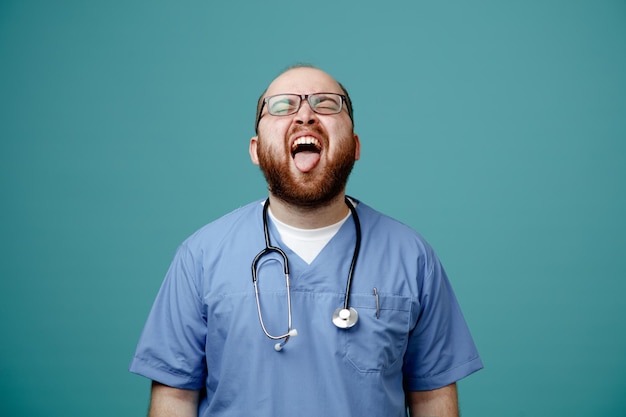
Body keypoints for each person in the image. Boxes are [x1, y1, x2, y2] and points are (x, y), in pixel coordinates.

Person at [130, 65, 483, 417]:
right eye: (282, 107)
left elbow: (432, 399)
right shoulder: (200, 257)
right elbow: (174, 400)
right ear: (255, 150)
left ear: (355, 146)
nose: (305, 115)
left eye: (327, 104)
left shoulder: (411, 257)